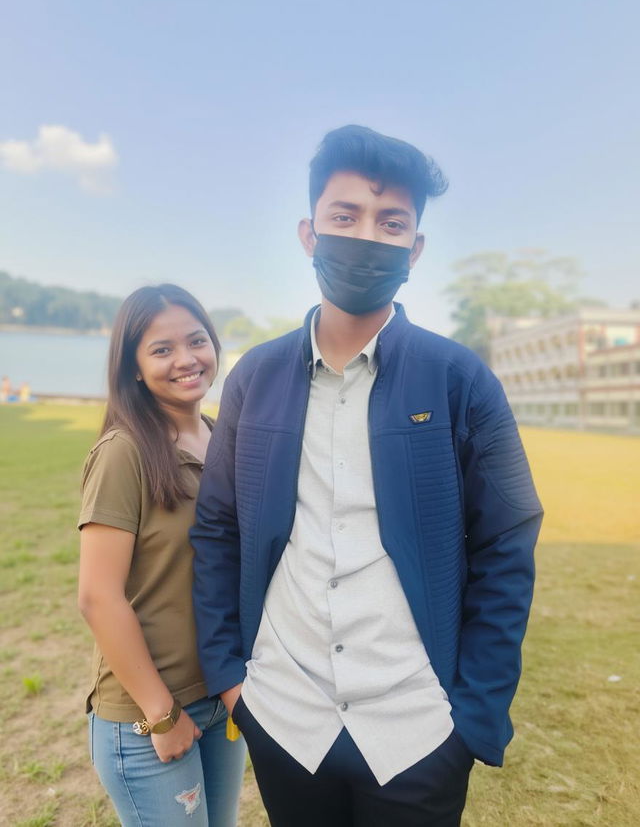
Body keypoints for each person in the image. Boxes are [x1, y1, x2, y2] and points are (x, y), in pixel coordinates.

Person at [191, 126, 543, 826]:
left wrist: (472, 714)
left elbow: (508, 542)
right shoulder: (254, 378)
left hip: (417, 728)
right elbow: (217, 528)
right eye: (344, 216)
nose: (365, 236)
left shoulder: (460, 379)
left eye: (390, 223)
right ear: (308, 232)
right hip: (283, 715)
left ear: (414, 249)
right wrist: (232, 679)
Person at [77, 284, 246, 827]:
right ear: (132, 367)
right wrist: (160, 711)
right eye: (161, 349)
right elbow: (98, 598)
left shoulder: (221, 436)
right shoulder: (123, 453)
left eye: (196, 340)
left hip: (221, 695)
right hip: (150, 712)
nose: (186, 359)